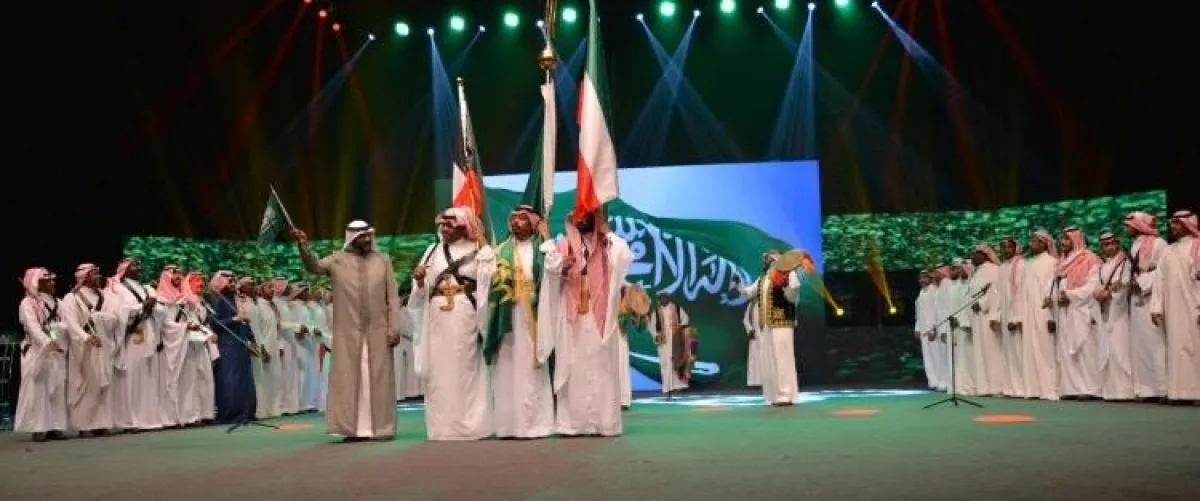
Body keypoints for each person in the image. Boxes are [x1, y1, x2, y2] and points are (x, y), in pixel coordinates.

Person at [295, 220, 402, 441]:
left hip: (378, 332)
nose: (367, 239)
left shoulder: (382, 261)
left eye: (369, 235)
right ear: (352, 238)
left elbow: (392, 297)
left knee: (377, 380)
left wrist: (394, 327)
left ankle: (380, 428)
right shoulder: (337, 260)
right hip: (348, 334)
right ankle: (351, 429)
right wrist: (303, 245)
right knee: (349, 380)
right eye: (362, 236)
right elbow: (314, 266)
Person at [408, 208, 495, 440]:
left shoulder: (478, 250)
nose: (444, 229)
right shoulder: (432, 250)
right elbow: (423, 287)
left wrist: (484, 248)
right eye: (442, 225)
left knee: (465, 368)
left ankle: (472, 425)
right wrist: (419, 281)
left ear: (463, 227)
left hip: (465, 314)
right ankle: (443, 427)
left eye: (450, 225)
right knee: (439, 371)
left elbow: (488, 280)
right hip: (437, 317)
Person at [550, 207, 634, 435]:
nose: (581, 220)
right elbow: (549, 274)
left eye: (585, 216)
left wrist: (607, 240)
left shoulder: (611, 245)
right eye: (576, 218)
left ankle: (603, 422)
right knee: (574, 368)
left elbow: (624, 260)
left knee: (601, 367)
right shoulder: (564, 246)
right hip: (573, 317)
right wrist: (559, 268)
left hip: (600, 317)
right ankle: (573, 424)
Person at [484, 204, 558, 439]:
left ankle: (535, 424)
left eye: (523, 218)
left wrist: (547, 238)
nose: (516, 222)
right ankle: (507, 426)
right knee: (506, 369)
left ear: (534, 223)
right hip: (506, 317)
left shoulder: (542, 249)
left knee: (531, 369)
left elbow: (555, 269)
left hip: (533, 318)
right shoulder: (500, 251)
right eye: (513, 218)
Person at [109, 257, 187, 432]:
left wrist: (152, 307)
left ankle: (147, 419)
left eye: (139, 265)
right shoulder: (118, 288)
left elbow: (161, 312)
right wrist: (141, 307)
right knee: (132, 379)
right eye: (134, 266)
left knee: (148, 379)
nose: (138, 268)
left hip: (150, 337)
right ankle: (130, 421)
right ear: (124, 269)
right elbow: (117, 312)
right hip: (132, 338)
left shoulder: (147, 289)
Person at [732, 250, 802, 406]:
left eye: (772, 256)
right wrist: (739, 284)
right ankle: (773, 394)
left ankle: (786, 394)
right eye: (767, 258)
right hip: (766, 325)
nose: (768, 259)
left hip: (782, 321)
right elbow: (748, 292)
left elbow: (794, 290)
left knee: (782, 358)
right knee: (768, 360)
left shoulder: (787, 273)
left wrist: (788, 273)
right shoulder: (763, 278)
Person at [62, 263, 120, 436]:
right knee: (86, 385)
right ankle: (85, 425)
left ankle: (102, 423)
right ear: (85, 277)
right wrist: (86, 337)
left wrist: (99, 317)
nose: (98, 277)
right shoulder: (72, 298)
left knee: (104, 385)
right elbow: (71, 323)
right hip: (84, 348)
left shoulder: (104, 296)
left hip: (103, 345)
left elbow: (114, 318)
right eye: (94, 274)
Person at [1149, 210, 1200, 403]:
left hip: (1195, 306)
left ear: (1187, 224)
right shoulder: (1168, 251)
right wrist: (1156, 307)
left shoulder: (1198, 246)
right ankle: (1178, 392)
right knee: (1176, 348)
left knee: (1195, 347)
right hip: (1173, 309)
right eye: (1172, 224)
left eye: (1177, 223)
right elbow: (1159, 281)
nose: (1173, 227)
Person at [16, 268, 68, 441]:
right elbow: (32, 327)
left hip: (55, 349)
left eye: (53, 280)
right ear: (37, 284)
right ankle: (38, 427)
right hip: (36, 351)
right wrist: (46, 341)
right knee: (38, 389)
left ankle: (55, 426)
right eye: (48, 281)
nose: (52, 283)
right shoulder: (27, 303)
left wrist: (54, 333)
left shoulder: (58, 303)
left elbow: (65, 324)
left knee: (56, 388)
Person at [1124, 211, 1169, 401]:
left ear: (1138, 225)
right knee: (1139, 345)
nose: (1126, 229)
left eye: (1128, 225)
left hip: (1152, 299)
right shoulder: (1134, 245)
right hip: (1137, 300)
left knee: (1155, 343)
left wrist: (1142, 282)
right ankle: (1145, 390)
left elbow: (1163, 271)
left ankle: (1162, 389)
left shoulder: (1159, 244)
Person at [1055, 227, 1104, 399]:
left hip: (1083, 309)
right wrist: (1060, 297)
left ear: (1075, 240)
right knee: (1067, 349)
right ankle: (1071, 389)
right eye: (1062, 239)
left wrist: (1070, 295)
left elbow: (1093, 286)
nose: (1063, 242)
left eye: (1067, 239)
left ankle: (1090, 389)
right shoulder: (1062, 261)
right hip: (1066, 310)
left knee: (1086, 349)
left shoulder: (1090, 258)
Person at [207, 271, 257, 424]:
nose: (233, 284)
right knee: (230, 379)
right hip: (227, 344)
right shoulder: (218, 300)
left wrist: (252, 339)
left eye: (234, 281)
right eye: (229, 281)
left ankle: (246, 412)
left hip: (241, 343)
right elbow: (215, 323)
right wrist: (234, 319)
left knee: (245, 379)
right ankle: (230, 414)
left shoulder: (236, 299)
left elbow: (244, 321)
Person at [1018, 231, 1061, 400]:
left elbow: (1051, 290)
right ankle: (1033, 389)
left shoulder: (1052, 262)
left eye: (1035, 241)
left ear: (1044, 244)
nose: (1031, 243)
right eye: (1031, 240)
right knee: (1030, 349)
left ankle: (1050, 390)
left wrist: (1051, 316)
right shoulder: (1028, 264)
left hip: (1044, 311)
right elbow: (1023, 291)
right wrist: (1020, 316)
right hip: (1028, 312)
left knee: (1045, 349)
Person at [1095, 231, 1134, 401]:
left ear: (1117, 244)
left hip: (1119, 312)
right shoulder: (1102, 266)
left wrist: (1110, 293)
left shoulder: (1124, 262)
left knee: (1120, 350)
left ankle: (1125, 391)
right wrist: (1098, 293)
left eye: (1112, 243)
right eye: (1105, 244)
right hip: (1105, 310)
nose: (1109, 247)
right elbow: (1097, 285)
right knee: (1108, 350)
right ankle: (1111, 391)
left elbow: (1124, 284)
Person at [969, 245, 1005, 397]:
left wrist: (983, 304)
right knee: (981, 353)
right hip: (978, 318)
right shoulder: (977, 272)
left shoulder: (993, 269)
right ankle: (984, 387)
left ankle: (996, 387)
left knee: (992, 352)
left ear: (984, 255)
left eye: (976, 254)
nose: (972, 257)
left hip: (989, 315)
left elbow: (996, 292)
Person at [998, 237, 1026, 397]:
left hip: (1016, 316)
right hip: (1005, 315)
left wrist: (1016, 318)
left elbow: (1021, 292)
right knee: (1008, 354)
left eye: (1009, 247)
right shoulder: (1002, 267)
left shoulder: (1021, 264)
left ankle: (1022, 388)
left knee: (1019, 353)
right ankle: (1011, 388)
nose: (1006, 250)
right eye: (1003, 247)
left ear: (1015, 248)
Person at [250, 280, 282, 419]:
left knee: (275, 378)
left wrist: (279, 345)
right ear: (261, 290)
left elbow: (275, 329)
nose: (272, 290)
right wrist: (262, 348)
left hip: (274, 346)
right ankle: (262, 410)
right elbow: (256, 330)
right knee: (263, 380)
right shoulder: (258, 307)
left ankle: (274, 409)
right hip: (264, 348)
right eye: (269, 287)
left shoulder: (271, 306)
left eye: (273, 287)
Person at [651, 292, 691, 396]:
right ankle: (667, 387)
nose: (663, 299)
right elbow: (652, 326)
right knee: (665, 363)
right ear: (659, 300)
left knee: (676, 361)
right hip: (663, 340)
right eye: (661, 298)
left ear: (668, 298)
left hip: (675, 337)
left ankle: (678, 386)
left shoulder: (676, 308)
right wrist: (656, 335)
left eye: (665, 297)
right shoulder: (656, 312)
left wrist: (679, 328)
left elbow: (685, 319)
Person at [914, 271, 936, 389]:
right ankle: (932, 381)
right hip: (923, 329)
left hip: (933, 329)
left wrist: (933, 329)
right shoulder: (921, 292)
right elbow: (918, 313)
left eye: (924, 278)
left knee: (936, 356)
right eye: (920, 278)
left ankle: (941, 381)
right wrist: (917, 328)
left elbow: (936, 311)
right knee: (928, 357)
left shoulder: (934, 291)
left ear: (930, 278)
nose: (922, 280)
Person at [743, 301, 762, 388]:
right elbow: (746, 320)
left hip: (767, 335)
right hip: (755, 335)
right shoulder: (752, 304)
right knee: (755, 359)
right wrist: (750, 330)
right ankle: (755, 382)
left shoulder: (770, 303)